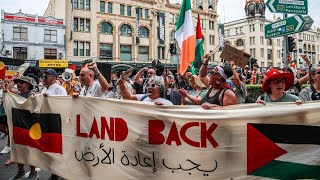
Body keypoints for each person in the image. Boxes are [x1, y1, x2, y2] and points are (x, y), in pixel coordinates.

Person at [7, 76, 39, 180]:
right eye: (18, 82)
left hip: (29, 127)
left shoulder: (33, 96)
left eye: (21, 82)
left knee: (30, 150)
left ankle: (33, 172)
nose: (18, 84)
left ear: (28, 85)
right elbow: (8, 89)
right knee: (18, 149)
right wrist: (13, 80)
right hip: (18, 126)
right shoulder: (17, 95)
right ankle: (20, 171)